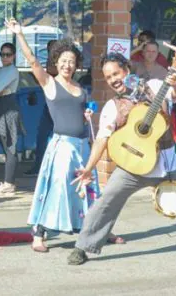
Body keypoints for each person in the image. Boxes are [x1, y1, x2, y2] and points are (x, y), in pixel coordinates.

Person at [67, 52, 176, 265]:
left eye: (116, 73)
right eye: (108, 77)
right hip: (133, 165)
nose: (113, 80)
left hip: (166, 162)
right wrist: (88, 168)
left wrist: (174, 83)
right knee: (106, 200)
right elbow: (102, 138)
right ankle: (83, 246)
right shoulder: (113, 106)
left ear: (127, 70)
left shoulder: (156, 86)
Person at [6, 18, 104, 253]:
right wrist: (19, 34)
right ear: (56, 62)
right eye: (63, 60)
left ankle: (90, 230)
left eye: (71, 61)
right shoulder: (49, 83)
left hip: (82, 146)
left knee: (87, 188)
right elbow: (31, 61)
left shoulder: (81, 89)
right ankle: (39, 234)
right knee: (56, 187)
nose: (67, 65)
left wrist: (88, 114)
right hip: (62, 146)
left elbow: (80, 117)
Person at [0, 42, 22, 196]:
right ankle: (9, 180)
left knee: (10, 146)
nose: (5, 57)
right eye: (2, 54)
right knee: (2, 141)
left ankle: (9, 182)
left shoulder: (12, 71)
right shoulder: (1, 70)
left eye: (8, 54)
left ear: (14, 56)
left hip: (9, 108)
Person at [24, 39, 57, 176]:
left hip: (56, 106)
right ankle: (39, 165)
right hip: (49, 104)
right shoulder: (52, 62)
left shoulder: (57, 63)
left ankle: (41, 166)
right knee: (42, 136)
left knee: (45, 136)